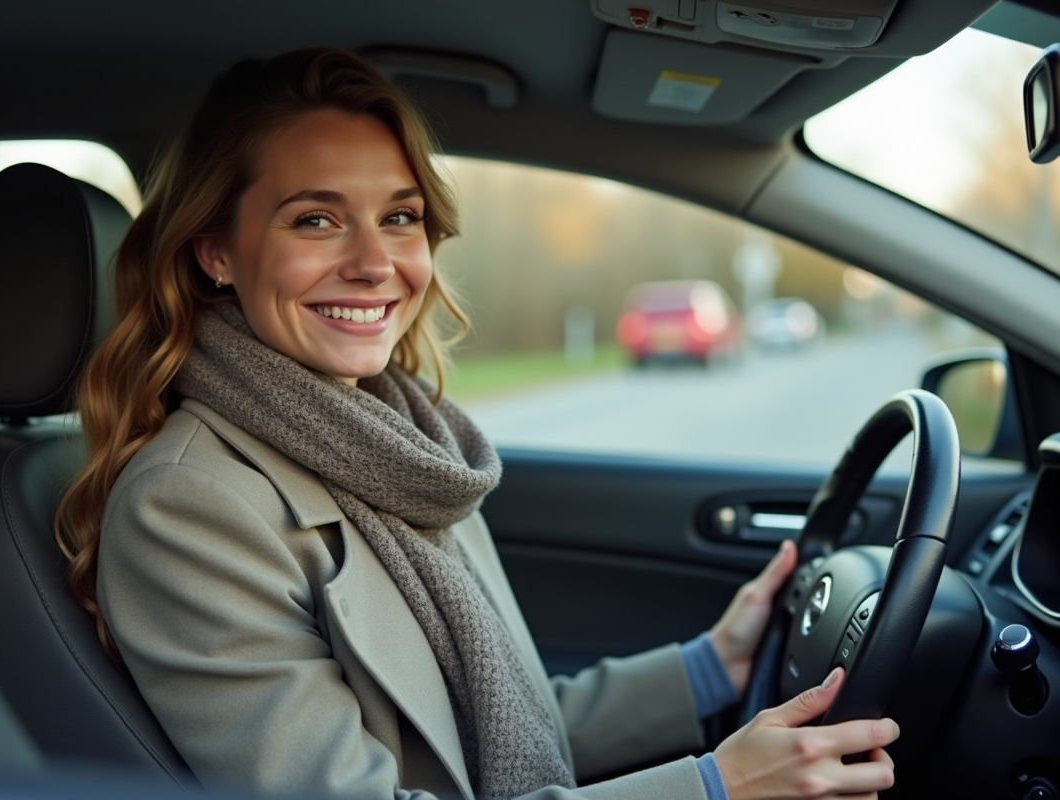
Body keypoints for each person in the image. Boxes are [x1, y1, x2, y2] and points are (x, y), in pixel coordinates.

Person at [56, 48, 898, 800]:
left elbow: (494, 727)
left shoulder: (403, 445)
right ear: (215, 253)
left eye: (400, 216)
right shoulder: (185, 507)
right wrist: (714, 789)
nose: (374, 262)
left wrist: (713, 666)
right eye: (315, 218)